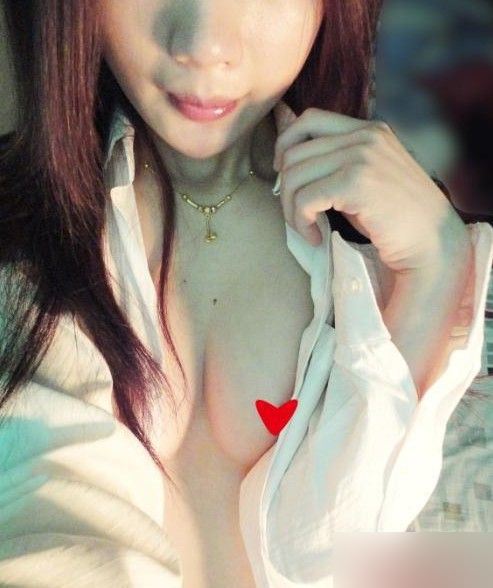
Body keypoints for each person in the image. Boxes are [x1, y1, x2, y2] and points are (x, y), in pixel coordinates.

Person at [0, 1, 492, 587]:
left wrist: (433, 275)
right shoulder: (17, 244)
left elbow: (378, 562)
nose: (204, 46)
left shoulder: (395, 250)